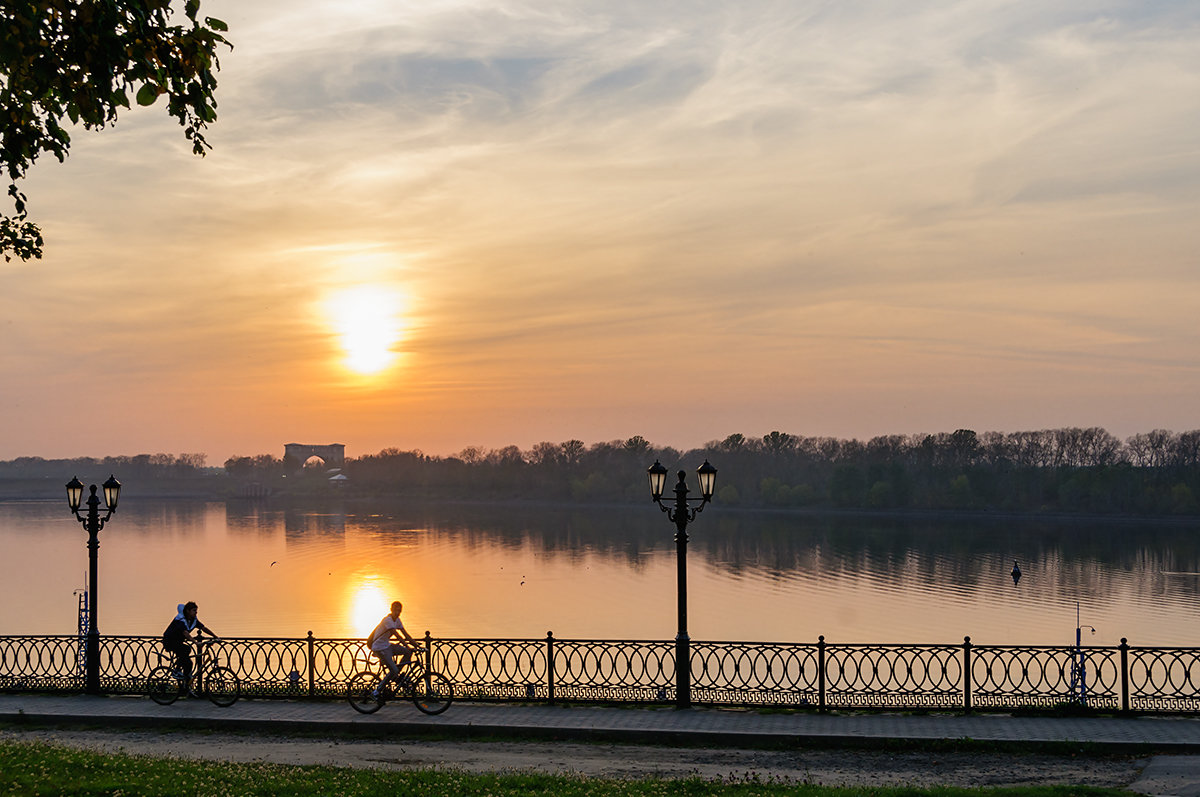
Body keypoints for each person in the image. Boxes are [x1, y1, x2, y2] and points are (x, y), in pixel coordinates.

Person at [368, 600, 418, 695]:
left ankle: (395, 676)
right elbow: (397, 635)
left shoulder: (397, 620)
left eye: (399, 611)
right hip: (379, 647)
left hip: (387, 645)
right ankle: (376, 691)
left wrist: (415, 645)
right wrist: (407, 646)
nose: (397, 613)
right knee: (393, 670)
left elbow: (405, 634)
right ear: (391, 610)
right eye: (395, 610)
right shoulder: (388, 620)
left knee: (407, 652)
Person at [162, 601, 218, 683]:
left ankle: (186, 685)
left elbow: (203, 628)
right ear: (188, 611)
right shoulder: (180, 619)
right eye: (194, 610)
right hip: (169, 641)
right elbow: (185, 633)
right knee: (186, 649)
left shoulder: (193, 620)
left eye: (196, 610)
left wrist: (215, 636)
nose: (196, 612)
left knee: (189, 663)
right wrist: (196, 643)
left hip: (178, 642)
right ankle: (176, 671)